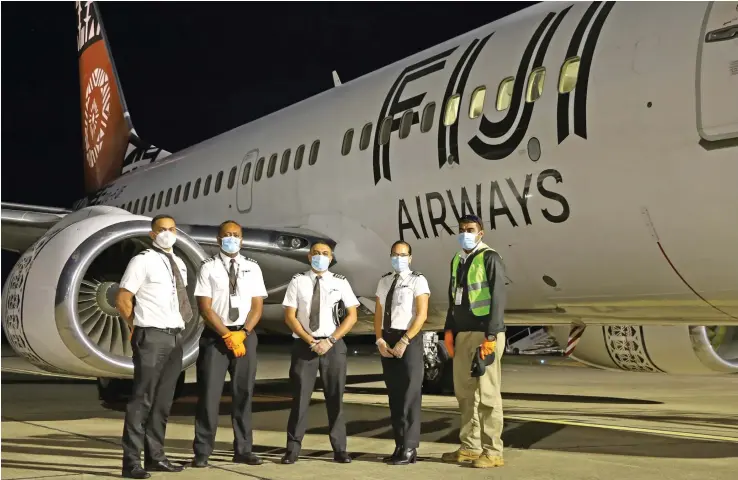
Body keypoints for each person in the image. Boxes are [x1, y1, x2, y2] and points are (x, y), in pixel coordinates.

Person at [116, 214, 193, 479]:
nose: (168, 233)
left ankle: (155, 457)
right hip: (152, 336)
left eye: (172, 229)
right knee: (143, 399)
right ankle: (131, 462)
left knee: (163, 401)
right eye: (162, 229)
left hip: (175, 336)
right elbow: (123, 298)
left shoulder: (180, 263)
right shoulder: (142, 261)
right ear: (152, 234)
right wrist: (134, 325)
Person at [191, 220, 268, 468]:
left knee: (243, 394)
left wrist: (243, 333)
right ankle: (202, 451)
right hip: (216, 337)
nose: (231, 239)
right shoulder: (208, 268)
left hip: (245, 337)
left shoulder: (253, 268)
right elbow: (206, 308)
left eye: (236, 235)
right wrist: (227, 335)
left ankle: (244, 449)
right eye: (227, 235)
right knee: (209, 396)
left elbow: (257, 306)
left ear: (242, 240)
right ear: (218, 240)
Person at [280, 241, 360, 465]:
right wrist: (310, 340)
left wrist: (331, 340)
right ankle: (293, 449)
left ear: (331, 257)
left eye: (325, 254)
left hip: (333, 347)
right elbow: (290, 316)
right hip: (304, 346)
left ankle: (340, 449)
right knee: (300, 400)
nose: (320, 257)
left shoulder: (340, 282)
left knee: (335, 399)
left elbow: (352, 315)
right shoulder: (298, 281)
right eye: (316, 253)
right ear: (308, 256)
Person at [441, 214, 507, 469]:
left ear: (481, 233)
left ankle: (493, 451)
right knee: (465, 393)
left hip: (484, 334)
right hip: (463, 333)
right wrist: (449, 330)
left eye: (470, 229)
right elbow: (453, 296)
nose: (465, 233)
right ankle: (470, 446)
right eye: (461, 229)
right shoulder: (458, 259)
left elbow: (499, 298)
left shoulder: (490, 258)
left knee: (488, 394)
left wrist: (491, 336)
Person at [374, 240, 430, 465]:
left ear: (410, 257)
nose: (399, 258)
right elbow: (378, 312)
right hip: (387, 338)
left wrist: (405, 340)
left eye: (403, 255)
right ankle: (399, 444)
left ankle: (410, 447)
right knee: (395, 395)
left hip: (408, 338)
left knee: (410, 395)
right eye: (395, 255)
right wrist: (378, 338)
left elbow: (422, 314)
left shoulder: (418, 280)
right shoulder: (385, 280)